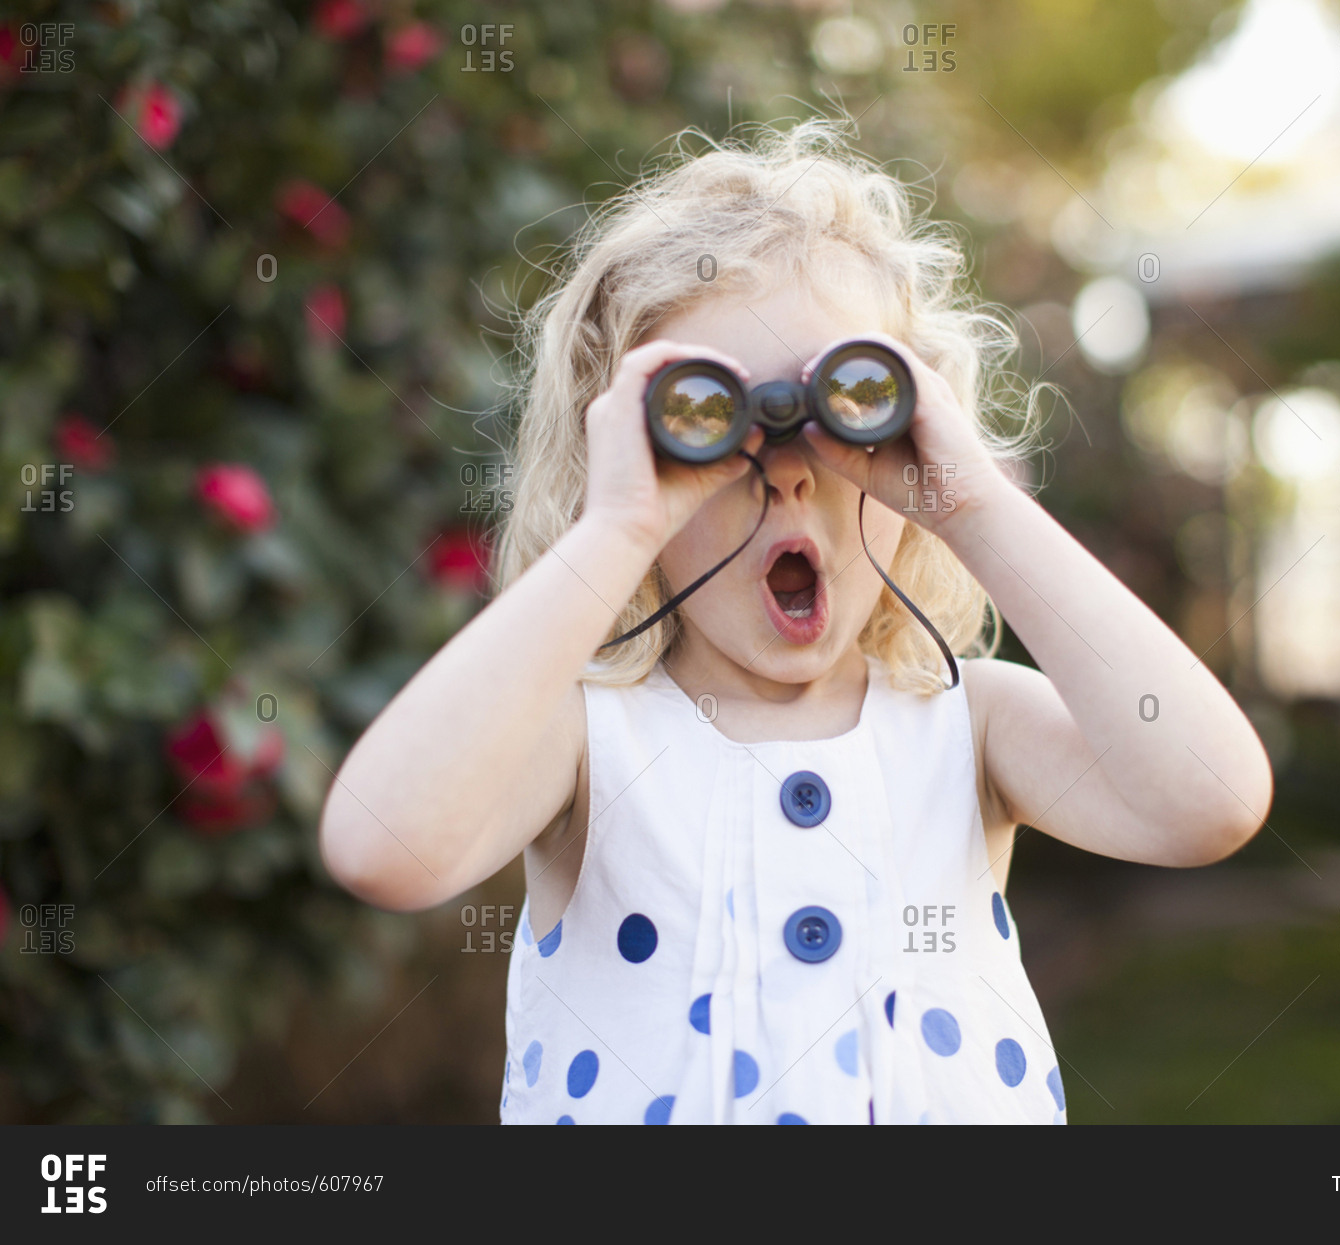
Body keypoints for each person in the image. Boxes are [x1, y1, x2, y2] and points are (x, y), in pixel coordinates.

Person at [318, 118, 1274, 1125]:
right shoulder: (589, 741)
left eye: (856, 404)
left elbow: (1208, 800)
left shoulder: (969, 721)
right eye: (702, 424)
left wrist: (976, 505)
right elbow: (384, 845)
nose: (787, 472)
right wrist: (614, 531)